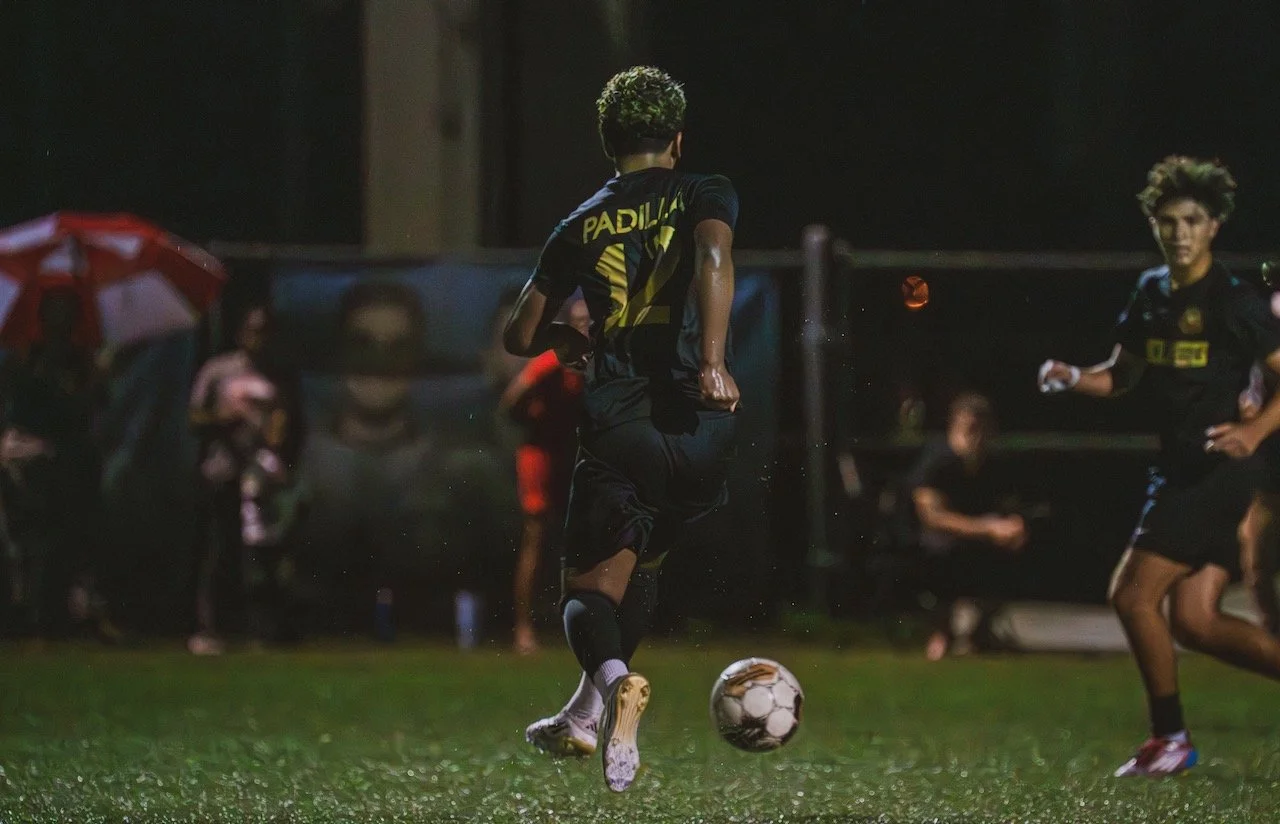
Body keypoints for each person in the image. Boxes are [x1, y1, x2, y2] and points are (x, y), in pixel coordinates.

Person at [503, 65, 740, 793]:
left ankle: (613, 681)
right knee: (642, 566)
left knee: (585, 595)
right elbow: (711, 255)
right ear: (676, 137)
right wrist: (711, 363)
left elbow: (520, 333)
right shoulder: (706, 189)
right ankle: (581, 714)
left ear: (609, 143)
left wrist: (568, 345)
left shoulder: (578, 222)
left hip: (624, 420)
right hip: (702, 430)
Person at [1039, 156, 1280, 777]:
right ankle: (1171, 738)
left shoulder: (1233, 300)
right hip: (1177, 469)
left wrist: (1254, 430)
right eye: (1168, 221)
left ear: (1214, 226)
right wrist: (1072, 377)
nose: (1180, 233)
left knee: (1131, 594)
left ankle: (1169, 738)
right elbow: (1120, 376)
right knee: (1195, 622)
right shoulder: (1151, 291)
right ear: (1154, 224)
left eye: (1192, 221)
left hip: (1214, 474)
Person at [188, 301, 303, 653]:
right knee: (220, 551)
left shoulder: (277, 376)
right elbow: (195, 418)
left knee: (264, 555)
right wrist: (223, 419)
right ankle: (210, 628)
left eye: (265, 331)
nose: (259, 338)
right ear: (240, 334)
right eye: (253, 330)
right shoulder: (219, 370)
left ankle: (263, 628)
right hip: (224, 470)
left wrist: (275, 437)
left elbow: (289, 423)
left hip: (261, 477)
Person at [0, 288, 114, 640]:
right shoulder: (26, 358)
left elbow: (90, 409)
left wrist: (93, 382)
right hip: (30, 459)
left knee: (66, 540)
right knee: (30, 540)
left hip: (70, 461)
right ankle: (26, 612)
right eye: (54, 311)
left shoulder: (82, 362)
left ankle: (57, 614)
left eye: (67, 312)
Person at [500, 296, 589, 655]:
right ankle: (523, 627)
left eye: (590, 321)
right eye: (579, 321)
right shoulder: (551, 363)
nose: (585, 326)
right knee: (536, 535)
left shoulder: (596, 365)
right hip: (542, 456)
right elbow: (511, 402)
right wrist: (536, 424)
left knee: (582, 539)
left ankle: (582, 624)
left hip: (574, 455)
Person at [909, 393, 1027, 660]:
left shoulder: (994, 464)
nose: (977, 437)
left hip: (982, 536)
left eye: (984, 430)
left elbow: (1010, 507)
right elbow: (933, 517)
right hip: (938, 540)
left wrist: (1016, 526)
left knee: (1016, 547)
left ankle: (980, 631)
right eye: (971, 429)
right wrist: (986, 529)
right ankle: (942, 632)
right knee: (939, 552)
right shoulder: (937, 461)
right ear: (954, 426)